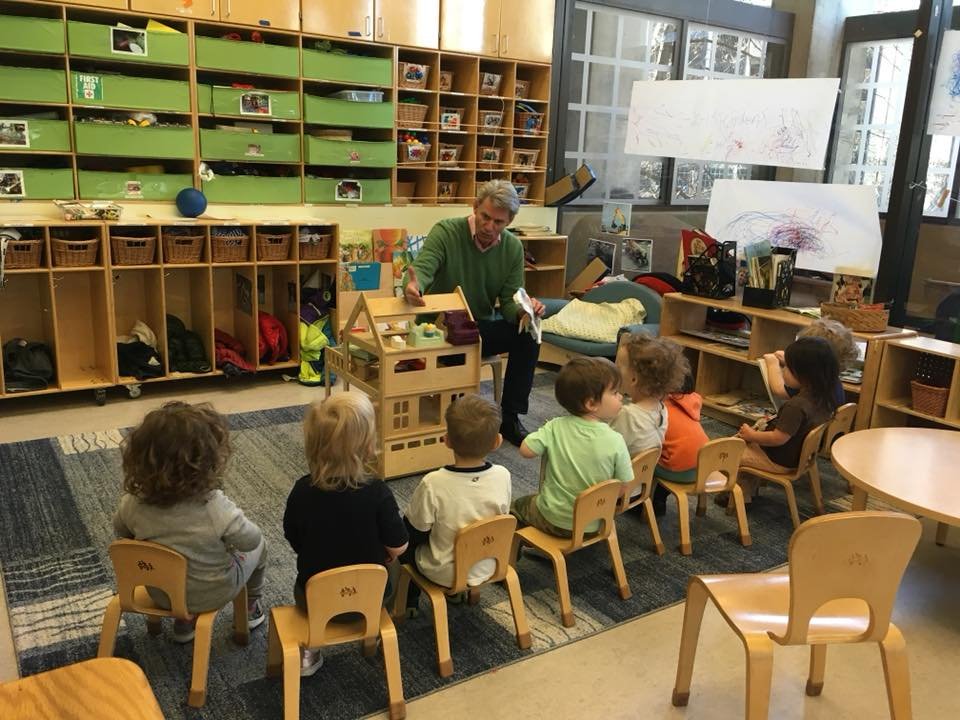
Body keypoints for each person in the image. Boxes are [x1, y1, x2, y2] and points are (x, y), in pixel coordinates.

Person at [404, 179, 545, 446]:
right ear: (475, 207)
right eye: (485, 217)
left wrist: (525, 312)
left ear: (510, 220)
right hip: (438, 327)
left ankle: (510, 417)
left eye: (499, 222)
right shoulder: (446, 231)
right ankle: (458, 416)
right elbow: (423, 268)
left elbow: (509, 303)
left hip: (477, 327)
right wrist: (413, 285)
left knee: (528, 335)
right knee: (461, 345)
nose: (489, 227)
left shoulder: (513, 248)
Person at [113, 401, 267, 644]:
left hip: (160, 592)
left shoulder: (132, 503)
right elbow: (250, 540)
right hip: (211, 592)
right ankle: (250, 608)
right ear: (206, 460)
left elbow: (122, 534)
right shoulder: (214, 507)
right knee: (261, 547)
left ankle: (185, 621)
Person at [283, 392, 409, 676]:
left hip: (312, 600)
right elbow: (399, 546)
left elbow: (292, 537)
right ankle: (373, 632)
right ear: (367, 447)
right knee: (398, 566)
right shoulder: (378, 492)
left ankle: (310, 648)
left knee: (311, 574)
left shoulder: (302, 491)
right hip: (370, 600)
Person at [400, 394, 512, 613]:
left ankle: (409, 601)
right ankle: (460, 591)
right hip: (490, 564)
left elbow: (415, 529)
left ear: (447, 440)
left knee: (404, 539)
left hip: (443, 572)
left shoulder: (434, 482)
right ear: (497, 442)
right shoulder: (503, 475)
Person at [512, 357, 634, 537]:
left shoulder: (555, 426)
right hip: (596, 523)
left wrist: (545, 434)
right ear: (591, 403)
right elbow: (625, 486)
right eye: (615, 392)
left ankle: (515, 555)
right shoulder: (616, 440)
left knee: (517, 506)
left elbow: (526, 450)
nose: (621, 397)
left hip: (553, 520)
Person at [736, 337, 840, 502]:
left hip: (779, 459)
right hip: (800, 456)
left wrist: (751, 435)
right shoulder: (825, 397)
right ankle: (746, 492)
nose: (783, 372)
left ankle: (738, 498)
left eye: (787, 368)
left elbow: (777, 438)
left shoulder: (796, 406)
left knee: (729, 453)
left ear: (803, 375)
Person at [611, 332, 686, 456]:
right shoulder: (661, 409)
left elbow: (604, 445)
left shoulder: (628, 415)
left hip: (622, 473)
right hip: (644, 471)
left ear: (634, 379)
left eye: (618, 367)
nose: (614, 369)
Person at [762, 318, 855, 408]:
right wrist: (789, 360)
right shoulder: (831, 380)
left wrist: (772, 363)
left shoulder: (810, 388)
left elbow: (779, 390)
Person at [652, 370, 710, 516]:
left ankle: (654, 502)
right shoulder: (693, 402)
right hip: (703, 468)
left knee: (644, 457)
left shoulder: (660, 408)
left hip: (677, 471)